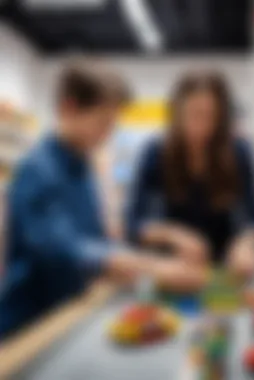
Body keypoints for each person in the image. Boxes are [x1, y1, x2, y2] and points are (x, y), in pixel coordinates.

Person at [0, 64, 206, 340]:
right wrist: (155, 267)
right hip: (30, 323)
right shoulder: (38, 169)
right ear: (69, 108)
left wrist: (135, 265)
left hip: (68, 312)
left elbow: (96, 240)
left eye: (113, 124)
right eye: (103, 122)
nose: (108, 133)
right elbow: (65, 250)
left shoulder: (83, 167)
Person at [126, 71, 254, 281]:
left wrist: (245, 244)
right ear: (176, 113)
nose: (201, 127)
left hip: (225, 269)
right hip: (175, 267)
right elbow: (133, 224)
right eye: (193, 114)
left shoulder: (239, 151)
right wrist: (173, 235)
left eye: (211, 116)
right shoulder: (155, 151)